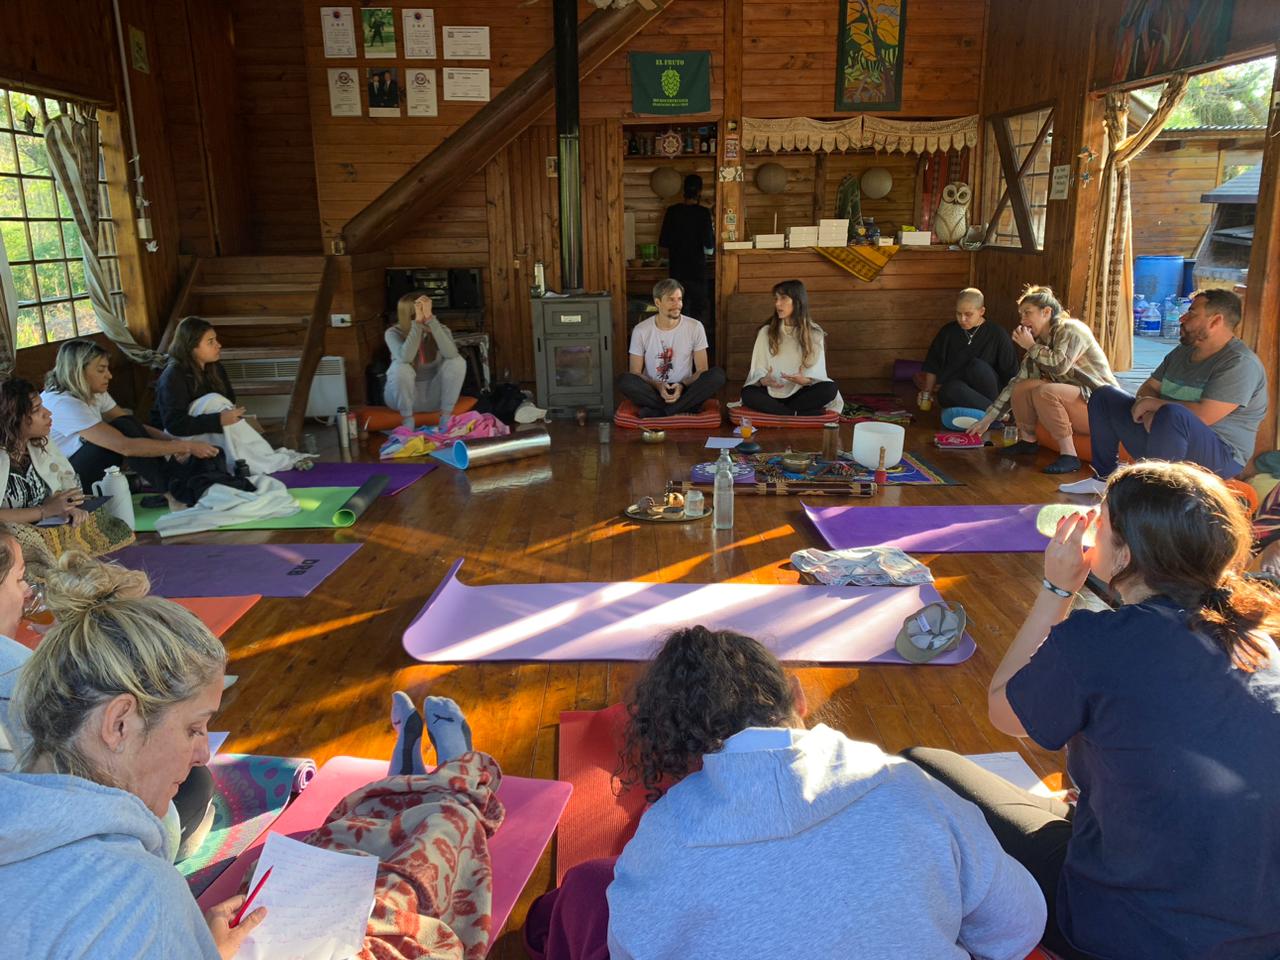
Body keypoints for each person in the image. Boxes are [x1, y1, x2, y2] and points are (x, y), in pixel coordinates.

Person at [0, 551, 507, 959]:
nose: (203, 752)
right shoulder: (137, 896)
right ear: (119, 723)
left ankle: (423, 785)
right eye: (194, 727)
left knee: (354, 844)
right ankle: (448, 784)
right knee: (416, 873)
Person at [909, 461, 1280, 960]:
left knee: (922, 764)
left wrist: (1057, 588)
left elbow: (1004, 710)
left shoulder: (1096, 641)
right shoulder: (1261, 641)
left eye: (1099, 523)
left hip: (1122, 930)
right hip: (1257, 933)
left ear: (1125, 552)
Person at [525, 625, 1046, 960]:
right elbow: (1018, 926)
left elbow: (629, 946)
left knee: (590, 886)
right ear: (796, 695)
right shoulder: (909, 786)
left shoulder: (662, 839)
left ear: (668, 741)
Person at [1059, 289, 1267, 496]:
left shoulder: (1240, 363)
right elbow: (1148, 388)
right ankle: (1104, 477)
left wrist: (1156, 408)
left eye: (1191, 313)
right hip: (1163, 433)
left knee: (1173, 415)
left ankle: (1157, 497)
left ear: (1215, 321)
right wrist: (1151, 412)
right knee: (1104, 395)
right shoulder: (1183, 351)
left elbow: (1204, 416)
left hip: (1220, 455)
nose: (1182, 318)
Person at [967, 285, 1118, 475]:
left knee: (1045, 391)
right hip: (1077, 402)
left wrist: (1030, 346)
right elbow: (1016, 382)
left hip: (1101, 406)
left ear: (1046, 312)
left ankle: (1069, 455)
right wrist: (988, 418)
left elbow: (1059, 364)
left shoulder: (1071, 329)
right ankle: (1028, 441)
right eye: (1021, 314)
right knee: (1022, 387)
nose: (1022, 320)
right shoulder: (1039, 345)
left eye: (1027, 313)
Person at [40, 339, 221, 494]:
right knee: (113, 441)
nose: (109, 376)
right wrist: (183, 446)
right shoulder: (63, 403)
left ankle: (172, 484)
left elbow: (133, 426)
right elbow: (125, 446)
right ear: (78, 371)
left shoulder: (94, 392)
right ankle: (170, 490)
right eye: (101, 370)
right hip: (61, 482)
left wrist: (174, 441)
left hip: (83, 466)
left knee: (126, 422)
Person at [154, 317, 309, 475]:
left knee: (221, 406)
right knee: (214, 401)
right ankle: (257, 460)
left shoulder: (215, 367)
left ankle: (256, 458)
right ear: (191, 346)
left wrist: (230, 417)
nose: (218, 345)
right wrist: (219, 419)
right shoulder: (173, 376)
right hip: (180, 440)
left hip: (208, 430)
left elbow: (228, 401)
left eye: (216, 340)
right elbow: (175, 424)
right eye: (210, 342)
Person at [616, 279, 726, 418]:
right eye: (671, 300)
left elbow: (701, 370)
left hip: (685, 388)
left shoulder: (695, 327)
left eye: (679, 299)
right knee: (624, 380)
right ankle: (684, 408)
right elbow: (635, 372)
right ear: (657, 303)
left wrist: (682, 385)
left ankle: (662, 412)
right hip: (654, 389)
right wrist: (658, 385)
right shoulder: (641, 330)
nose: (677, 304)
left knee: (717, 375)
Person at [739, 279, 843, 416]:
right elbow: (757, 369)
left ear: (798, 301)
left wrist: (805, 380)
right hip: (771, 393)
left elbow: (818, 373)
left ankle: (781, 412)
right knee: (748, 393)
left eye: (783, 298)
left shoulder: (814, 333)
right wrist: (764, 380)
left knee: (830, 388)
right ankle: (795, 414)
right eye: (776, 299)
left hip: (800, 393)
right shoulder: (766, 332)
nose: (777, 303)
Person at [0, 379, 88, 529]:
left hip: (42, 530)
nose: (48, 413)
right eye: (36, 410)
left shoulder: (37, 444)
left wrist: (64, 507)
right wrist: (45, 511)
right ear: (13, 419)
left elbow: (60, 488)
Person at [919, 287, 1018, 411]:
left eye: (968, 314)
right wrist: (927, 393)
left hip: (988, 394)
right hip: (956, 393)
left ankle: (996, 413)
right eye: (958, 314)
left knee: (977, 366)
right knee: (951, 388)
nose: (962, 319)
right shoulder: (947, 332)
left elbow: (1011, 374)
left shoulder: (997, 333)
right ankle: (997, 415)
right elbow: (932, 365)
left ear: (982, 311)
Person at [384, 292, 467, 431]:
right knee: (400, 367)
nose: (421, 316)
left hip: (434, 397)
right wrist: (417, 325)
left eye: (425, 311)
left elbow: (451, 354)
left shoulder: (441, 329)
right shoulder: (393, 333)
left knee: (457, 361)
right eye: (417, 313)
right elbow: (406, 358)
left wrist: (431, 321)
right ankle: (407, 421)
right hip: (402, 399)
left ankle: (446, 418)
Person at [658, 174, 715, 334]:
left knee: (677, 311)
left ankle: (678, 345)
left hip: (677, 270)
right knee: (698, 313)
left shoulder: (672, 211)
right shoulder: (703, 213)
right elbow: (709, 247)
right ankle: (696, 346)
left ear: (683, 190)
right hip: (697, 270)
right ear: (700, 192)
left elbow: (663, 242)